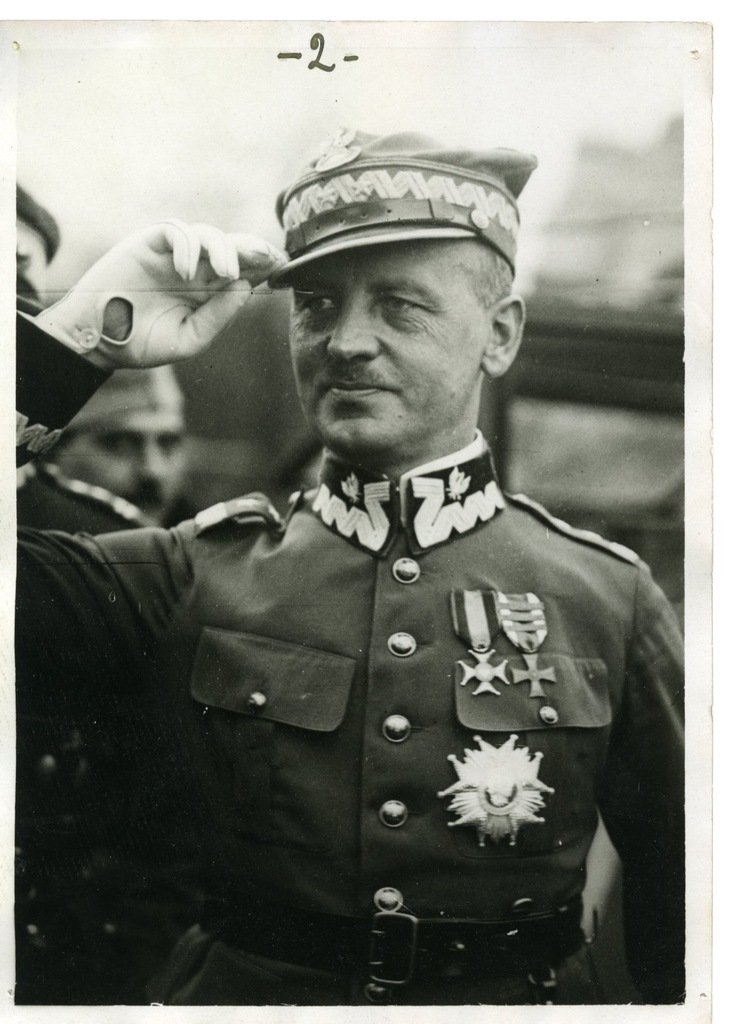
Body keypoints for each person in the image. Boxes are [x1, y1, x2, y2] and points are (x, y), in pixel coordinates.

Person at [15, 130, 684, 1006]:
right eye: (317, 304)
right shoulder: (187, 573)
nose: (346, 342)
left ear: (499, 335)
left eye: (400, 306)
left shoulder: (608, 597)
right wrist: (80, 338)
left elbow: (691, 925)